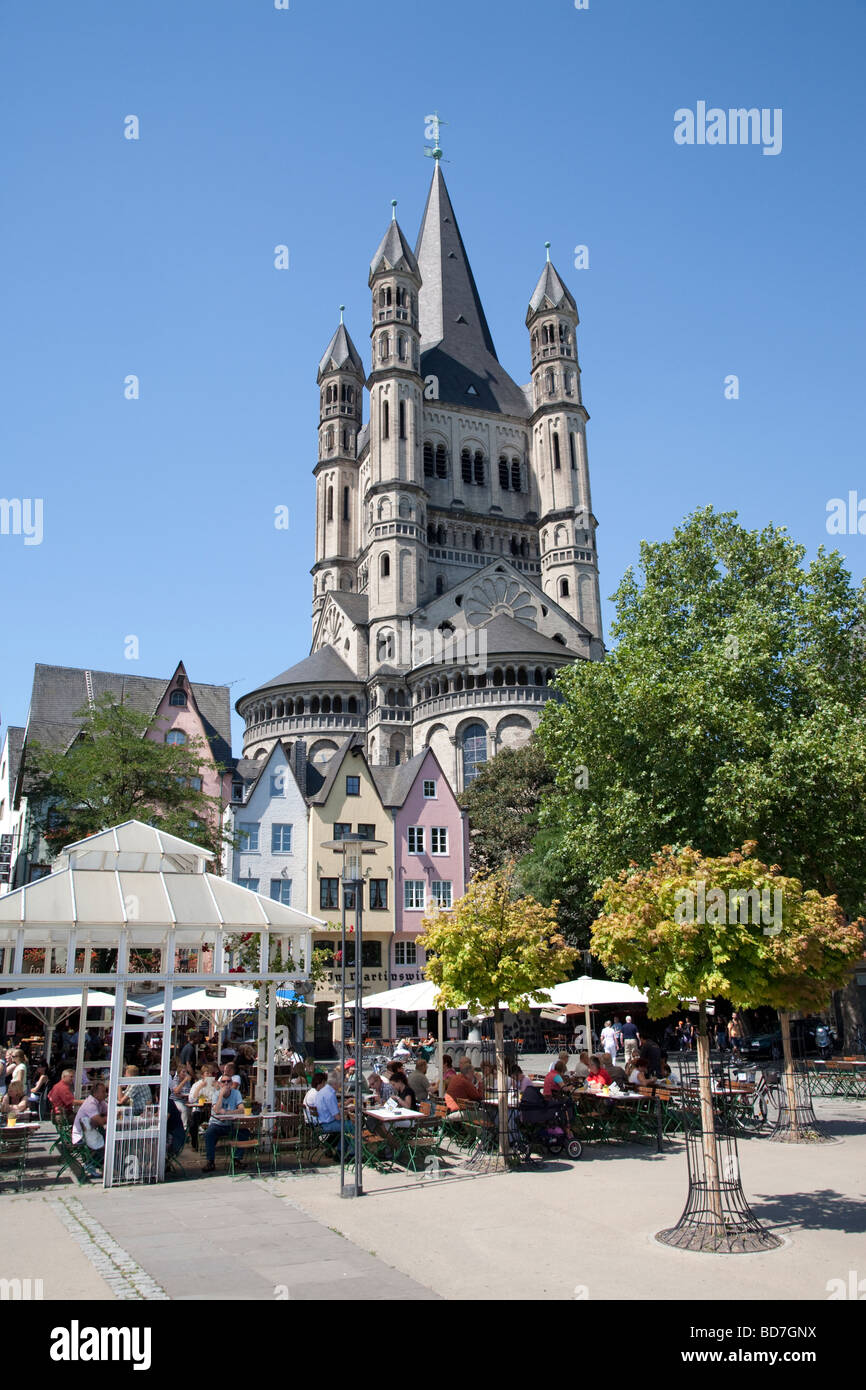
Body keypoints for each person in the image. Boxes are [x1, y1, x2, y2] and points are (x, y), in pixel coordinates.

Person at [203, 1075, 248, 1170]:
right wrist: (221, 1096)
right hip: (217, 1124)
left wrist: (228, 1112)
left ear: (231, 1083)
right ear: (220, 1084)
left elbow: (242, 1109)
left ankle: (237, 1159)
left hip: (231, 1123)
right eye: (224, 1082)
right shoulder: (216, 1094)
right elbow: (216, 1110)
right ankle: (210, 1161)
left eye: (228, 1081)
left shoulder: (236, 1093)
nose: (226, 1083)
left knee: (244, 1132)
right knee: (209, 1134)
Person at [72, 1081, 108, 1168]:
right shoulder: (90, 1103)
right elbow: (100, 1121)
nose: (105, 1094)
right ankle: (93, 1164)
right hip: (81, 1136)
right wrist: (112, 1116)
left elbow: (108, 1110)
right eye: (103, 1091)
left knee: (109, 1138)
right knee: (110, 1143)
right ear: (95, 1094)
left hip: (90, 1132)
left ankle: (98, 1163)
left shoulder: (100, 1102)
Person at [188, 1064, 220, 1150]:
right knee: (193, 1122)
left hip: (212, 1110)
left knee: (218, 1123)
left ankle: (212, 1144)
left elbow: (220, 1099)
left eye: (211, 1073)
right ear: (202, 1075)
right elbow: (191, 1099)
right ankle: (195, 1144)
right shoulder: (196, 1085)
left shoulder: (215, 1085)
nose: (209, 1075)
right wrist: (200, 1087)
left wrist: (217, 1089)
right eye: (207, 1073)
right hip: (200, 1110)